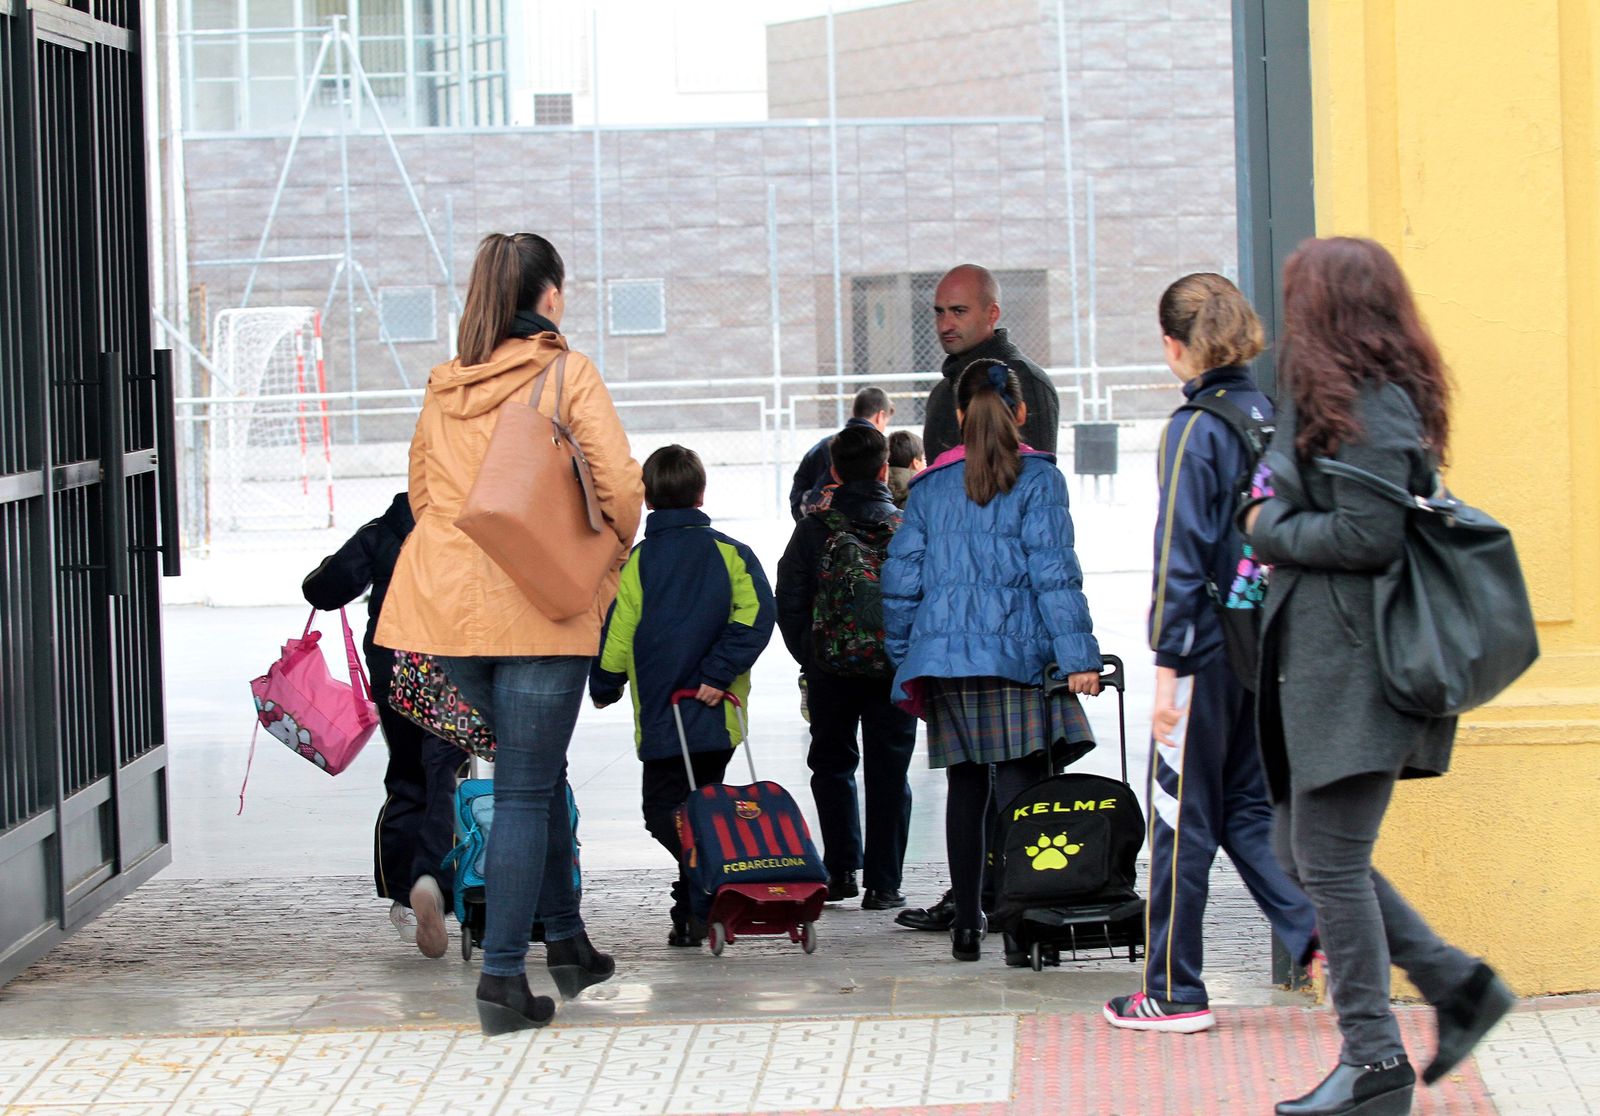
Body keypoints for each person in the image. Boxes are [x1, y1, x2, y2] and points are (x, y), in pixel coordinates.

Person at [1242, 238, 1512, 1116]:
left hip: (1358, 673)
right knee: (1300, 849)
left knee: (1327, 859)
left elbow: (1370, 538)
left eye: (1298, 296)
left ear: (1327, 306)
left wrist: (1265, 528)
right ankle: (1456, 987)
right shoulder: (1340, 398)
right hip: (1324, 670)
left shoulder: (1372, 403)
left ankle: (1374, 1059)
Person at [376, 232, 644, 1035]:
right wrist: (599, 561)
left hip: (449, 618)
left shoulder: (443, 386)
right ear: (550, 297)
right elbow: (623, 491)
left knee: (535, 769)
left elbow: (424, 494)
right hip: (538, 611)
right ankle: (501, 981)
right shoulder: (566, 372)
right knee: (526, 789)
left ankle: (567, 941)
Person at [1102, 274, 1317, 1035]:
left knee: (1179, 818)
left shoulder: (1196, 428)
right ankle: (1317, 934)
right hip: (1260, 644)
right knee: (1248, 811)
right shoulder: (1270, 416)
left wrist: (1166, 667)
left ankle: (1171, 989)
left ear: (1173, 344)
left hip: (1201, 655)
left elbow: (1178, 556)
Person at [883, 359, 1101, 962]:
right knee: (1023, 793)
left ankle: (967, 926)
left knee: (966, 787)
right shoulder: (1038, 480)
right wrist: (1078, 657)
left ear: (957, 415)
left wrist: (907, 656)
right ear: (1022, 411)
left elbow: (899, 582)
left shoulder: (927, 489)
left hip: (949, 660)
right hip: (1019, 657)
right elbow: (1054, 575)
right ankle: (1024, 923)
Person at [590, 444, 776, 947]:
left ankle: (713, 881)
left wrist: (605, 685)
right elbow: (756, 615)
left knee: (662, 813)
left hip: (664, 716)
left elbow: (619, 632)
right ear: (700, 492)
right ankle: (694, 912)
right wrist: (720, 674)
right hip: (720, 715)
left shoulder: (641, 563)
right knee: (699, 809)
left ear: (647, 499)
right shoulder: (731, 552)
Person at [302, 492, 466, 957]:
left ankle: (404, 893)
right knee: (448, 775)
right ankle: (436, 878)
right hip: (454, 670)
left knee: (408, 779)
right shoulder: (465, 524)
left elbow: (321, 589)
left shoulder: (382, 532)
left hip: (393, 672)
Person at [777, 425, 917, 910]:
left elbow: (790, 598)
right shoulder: (905, 526)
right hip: (894, 670)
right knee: (890, 772)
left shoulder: (815, 527)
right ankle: (885, 884)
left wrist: (812, 654)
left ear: (834, 470)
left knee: (832, 766)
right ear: (884, 468)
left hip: (831, 669)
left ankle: (840, 871)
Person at [921, 264, 1060, 462]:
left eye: (959, 311)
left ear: (992, 313)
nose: (945, 325)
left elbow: (1033, 481)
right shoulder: (941, 393)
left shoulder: (1024, 380)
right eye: (940, 312)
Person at [789, 387, 894, 521]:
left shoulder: (821, 448)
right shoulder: (882, 449)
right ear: (880, 417)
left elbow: (797, 495)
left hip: (821, 530)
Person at [886, 430, 925, 508]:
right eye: (924, 459)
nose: (925, 465)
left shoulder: (874, 488)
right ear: (916, 463)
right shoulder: (924, 495)